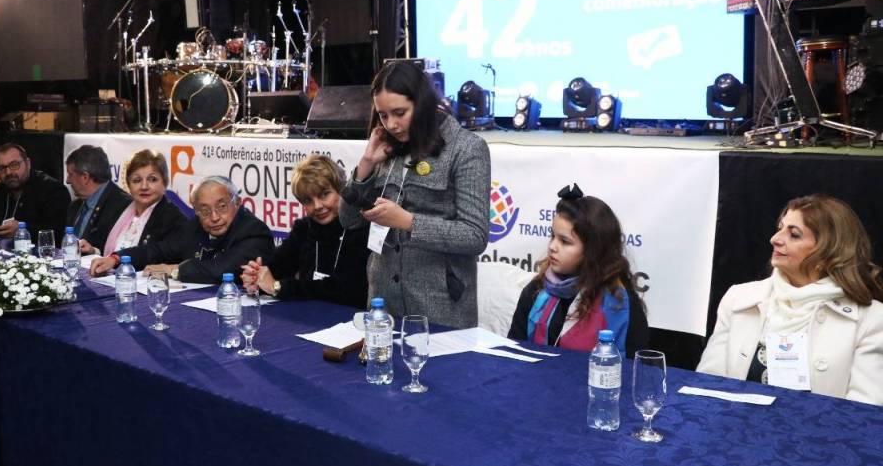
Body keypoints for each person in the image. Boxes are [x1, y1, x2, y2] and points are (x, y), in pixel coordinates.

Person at [338, 60, 490, 328]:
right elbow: (349, 221)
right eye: (383, 115)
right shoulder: (386, 149)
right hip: (383, 302)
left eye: (400, 113)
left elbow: (474, 235)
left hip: (440, 307)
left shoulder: (466, 149)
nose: (392, 124)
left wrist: (408, 222)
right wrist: (366, 164)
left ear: (423, 104)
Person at [697, 194, 883, 405]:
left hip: (820, 428)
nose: (775, 239)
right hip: (732, 424)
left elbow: (864, 411)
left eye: (794, 235)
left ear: (828, 252)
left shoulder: (872, 320)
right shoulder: (739, 298)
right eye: (780, 228)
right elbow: (707, 387)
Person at [508, 184, 649, 357]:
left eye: (565, 241)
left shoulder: (620, 302)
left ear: (593, 250)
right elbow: (513, 351)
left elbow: (637, 366)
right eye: (552, 236)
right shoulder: (536, 289)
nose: (552, 247)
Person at [241, 155, 369, 309]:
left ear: (341, 190)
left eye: (324, 194)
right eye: (308, 200)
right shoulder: (304, 228)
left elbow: (346, 290)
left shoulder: (359, 229)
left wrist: (278, 287)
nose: (317, 206)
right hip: (307, 315)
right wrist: (256, 277)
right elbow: (276, 269)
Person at [107, 176, 273, 284]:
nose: (214, 217)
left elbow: (221, 270)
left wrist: (173, 270)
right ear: (196, 211)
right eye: (205, 211)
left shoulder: (254, 231)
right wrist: (117, 258)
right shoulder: (194, 227)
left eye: (222, 206)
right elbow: (159, 250)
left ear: (237, 203)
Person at [84, 150, 191, 270]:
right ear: (128, 185)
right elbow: (108, 250)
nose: (144, 187)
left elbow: (155, 253)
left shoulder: (174, 219)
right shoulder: (120, 208)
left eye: (152, 179)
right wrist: (93, 250)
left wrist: (117, 258)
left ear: (165, 182)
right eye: (137, 180)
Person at [0, 143, 70, 240]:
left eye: (14, 165)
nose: (8, 172)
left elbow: (57, 232)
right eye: (2, 168)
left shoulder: (53, 190)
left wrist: (24, 230)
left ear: (28, 163)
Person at [64, 145, 131, 249]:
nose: (67, 181)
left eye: (70, 175)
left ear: (85, 177)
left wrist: (94, 251)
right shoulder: (74, 206)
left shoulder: (123, 207)